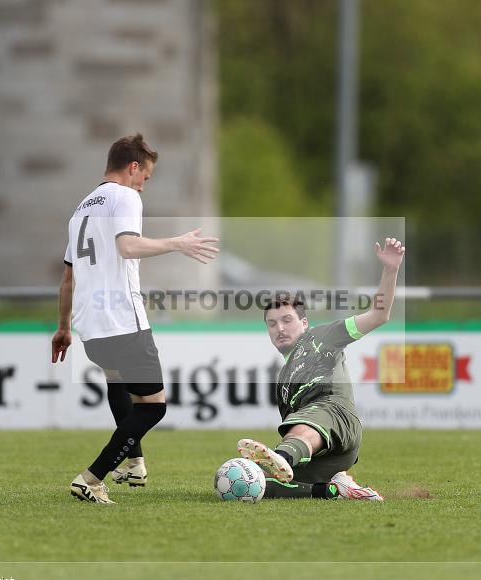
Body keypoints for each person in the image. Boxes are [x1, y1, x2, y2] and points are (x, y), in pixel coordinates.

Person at [52, 133, 218, 504]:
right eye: (146, 175)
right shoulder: (126, 196)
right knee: (154, 407)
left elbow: (67, 279)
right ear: (132, 168)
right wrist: (179, 243)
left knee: (118, 384)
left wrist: (63, 328)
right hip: (123, 320)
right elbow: (128, 246)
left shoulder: (80, 210)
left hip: (90, 328)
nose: (145, 183)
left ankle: (135, 461)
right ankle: (92, 478)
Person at [238, 237, 406, 501]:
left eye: (286, 320)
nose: (279, 328)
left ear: (304, 323)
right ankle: (334, 489)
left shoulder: (321, 337)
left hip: (335, 414)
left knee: (306, 423)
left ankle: (281, 456)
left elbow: (378, 315)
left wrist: (391, 270)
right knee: (261, 485)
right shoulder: (283, 380)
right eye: (272, 324)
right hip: (330, 452)